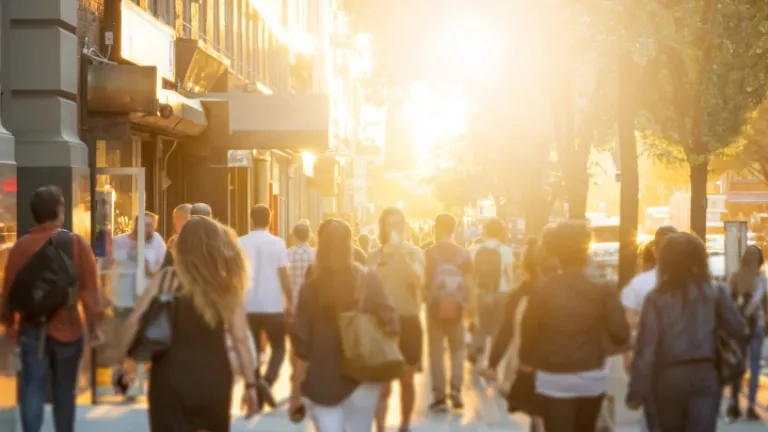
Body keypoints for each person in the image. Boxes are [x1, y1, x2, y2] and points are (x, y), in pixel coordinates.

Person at [120, 216, 260, 431]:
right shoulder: (225, 286)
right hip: (213, 378)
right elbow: (240, 338)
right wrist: (251, 386)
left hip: (169, 379)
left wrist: (125, 365)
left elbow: (133, 322)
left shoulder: (166, 279)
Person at [0, 186, 104, 432]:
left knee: (31, 388)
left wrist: (10, 326)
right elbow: (90, 290)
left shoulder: (20, 247)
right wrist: (95, 325)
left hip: (31, 329)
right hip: (68, 328)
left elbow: (9, 293)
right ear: (60, 211)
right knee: (64, 391)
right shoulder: (76, 243)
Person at [627, 233, 747, 432]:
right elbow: (738, 328)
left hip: (667, 378)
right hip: (705, 376)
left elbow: (646, 349)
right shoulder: (715, 293)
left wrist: (637, 390)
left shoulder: (656, 299)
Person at [520, 221, 630, 432]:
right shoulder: (603, 290)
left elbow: (528, 334)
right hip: (591, 375)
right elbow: (621, 334)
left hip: (553, 377)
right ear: (586, 251)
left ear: (555, 254)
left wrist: (527, 363)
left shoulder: (541, 291)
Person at [290, 219, 398, 431]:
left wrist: (295, 393)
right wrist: (386, 377)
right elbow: (391, 325)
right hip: (364, 379)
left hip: (322, 382)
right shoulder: (369, 280)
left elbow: (301, 348)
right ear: (350, 245)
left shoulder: (310, 290)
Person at [367, 206, 425, 432]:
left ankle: (405, 425)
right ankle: (380, 426)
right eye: (390, 224)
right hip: (381, 324)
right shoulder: (374, 255)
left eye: (399, 224)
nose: (395, 229)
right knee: (382, 383)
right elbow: (365, 288)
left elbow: (418, 281)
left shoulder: (414, 253)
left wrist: (400, 254)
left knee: (407, 379)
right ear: (382, 227)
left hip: (408, 321)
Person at [483, 236, 546, 430]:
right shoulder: (565, 291)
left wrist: (492, 363)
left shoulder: (520, 294)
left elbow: (506, 331)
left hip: (528, 363)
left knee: (538, 412)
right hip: (565, 363)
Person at [109, 212, 167, 398]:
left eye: (151, 225)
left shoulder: (157, 242)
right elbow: (105, 265)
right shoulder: (118, 241)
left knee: (137, 342)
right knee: (122, 340)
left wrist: (149, 268)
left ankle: (132, 381)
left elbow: (161, 271)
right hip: (121, 298)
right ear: (135, 225)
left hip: (144, 300)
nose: (148, 229)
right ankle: (121, 376)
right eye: (145, 225)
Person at [423, 213, 474, 412]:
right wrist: (470, 310)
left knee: (436, 352)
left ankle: (439, 396)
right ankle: (455, 390)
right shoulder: (464, 254)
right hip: (457, 308)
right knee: (457, 350)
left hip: (434, 309)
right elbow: (470, 285)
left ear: (436, 229)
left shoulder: (428, 253)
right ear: (453, 229)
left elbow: (422, 283)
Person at [240, 205, 292, 389]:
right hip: (273, 305)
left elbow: (236, 275)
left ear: (251, 219)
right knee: (278, 347)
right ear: (270, 220)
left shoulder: (241, 242)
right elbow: (284, 275)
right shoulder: (278, 243)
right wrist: (291, 301)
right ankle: (268, 381)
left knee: (251, 349)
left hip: (248, 304)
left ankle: (253, 385)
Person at [726, 244, 767, 421]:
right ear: (759, 261)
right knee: (755, 367)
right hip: (756, 326)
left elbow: (729, 303)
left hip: (739, 327)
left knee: (738, 366)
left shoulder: (736, 278)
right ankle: (750, 406)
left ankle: (734, 404)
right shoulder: (763, 281)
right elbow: (766, 307)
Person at [469, 218, 515, 364]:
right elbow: (509, 274)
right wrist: (512, 290)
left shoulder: (475, 249)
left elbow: (470, 273)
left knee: (480, 322)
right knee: (496, 325)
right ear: (501, 232)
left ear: (485, 230)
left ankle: (477, 348)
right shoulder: (505, 250)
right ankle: (492, 358)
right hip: (500, 292)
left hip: (479, 291)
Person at [287, 222, 315, 314]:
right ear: (309, 236)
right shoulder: (316, 255)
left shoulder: (288, 254)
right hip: (312, 303)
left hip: (293, 303)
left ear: (294, 236)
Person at [161, 203, 191, 268]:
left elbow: (166, 267)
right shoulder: (207, 239)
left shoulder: (175, 241)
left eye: (175, 217)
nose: (173, 222)